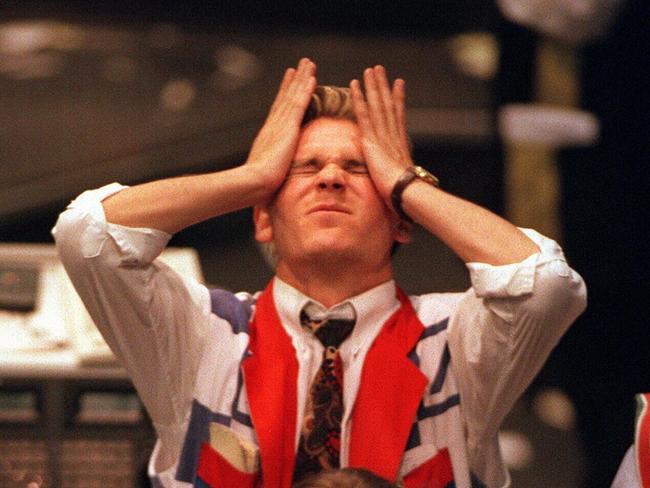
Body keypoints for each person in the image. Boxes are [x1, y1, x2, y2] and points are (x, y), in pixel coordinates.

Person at [53, 59, 586, 488]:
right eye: (304, 168)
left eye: (359, 169)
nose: (331, 177)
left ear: (402, 221)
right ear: (263, 218)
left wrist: (406, 184)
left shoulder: (454, 341)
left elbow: (544, 286)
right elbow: (88, 237)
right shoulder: (201, 332)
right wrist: (252, 176)